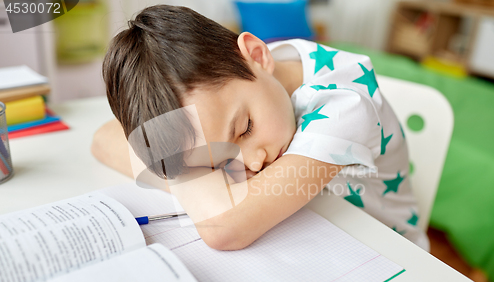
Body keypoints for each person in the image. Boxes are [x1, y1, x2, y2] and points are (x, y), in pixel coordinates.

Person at [92, 5, 430, 252]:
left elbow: (225, 228)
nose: (251, 164)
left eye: (245, 129)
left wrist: (189, 174)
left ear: (256, 54)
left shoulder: (346, 105)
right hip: (311, 233)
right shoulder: (252, 82)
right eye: (220, 163)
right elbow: (103, 139)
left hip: (387, 255)